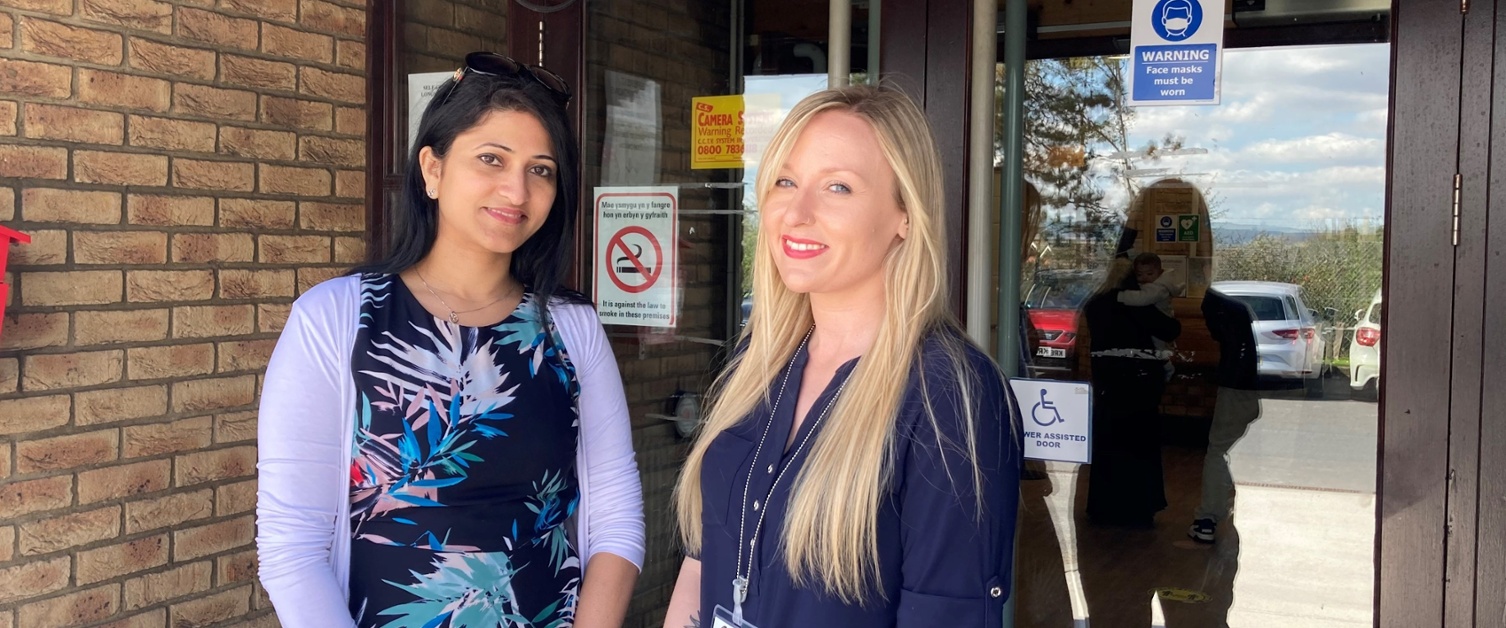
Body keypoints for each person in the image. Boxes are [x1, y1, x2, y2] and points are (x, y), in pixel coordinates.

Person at [256, 51, 645, 628]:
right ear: (432, 170)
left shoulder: (569, 326)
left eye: (541, 169)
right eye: (492, 159)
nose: (516, 189)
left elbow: (616, 514)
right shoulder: (335, 319)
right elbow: (292, 546)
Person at [661, 85, 1023, 628]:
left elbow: (947, 614)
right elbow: (702, 560)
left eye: (838, 187)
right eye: (786, 181)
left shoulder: (950, 394)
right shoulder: (758, 362)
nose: (797, 212)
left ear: (905, 215)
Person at [1081, 255, 1182, 527]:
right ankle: (1137, 510)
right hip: (1139, 384)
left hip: (1107, 383)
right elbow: (1171, 328)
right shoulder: (1135, 303)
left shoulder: (1095, 304)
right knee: (1139, 446)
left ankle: (1103, 507)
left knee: (1107, 445)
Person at [1188, 287, 1263, 543]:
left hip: (1238, 387)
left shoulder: (1224, 310)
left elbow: (1223, 336)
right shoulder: (1242, 310)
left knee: (1219, 451)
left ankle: (1207, 518)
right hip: (1267, 388)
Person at [1117, 252, 1183, 380]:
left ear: (1160, 272)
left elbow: (1142, 299)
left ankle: (1168, 369)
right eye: (1140, 275)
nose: (1144, 278)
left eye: (1149, 274)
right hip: (1163, 321)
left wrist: (1119, 296)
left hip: (1161, 322)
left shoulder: (1159, 288)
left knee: (1158, 349)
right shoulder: (1155, 283)